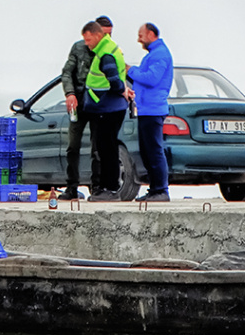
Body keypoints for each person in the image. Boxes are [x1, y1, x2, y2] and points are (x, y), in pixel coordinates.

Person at [59, 15, 114, 200]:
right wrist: (70, 93)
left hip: (99, 104)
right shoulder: (79, 48)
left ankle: (97, 187)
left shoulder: (110, 51)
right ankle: (71, 187)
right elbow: (67, 72)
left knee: (98, 148)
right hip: (80, 102)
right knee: (72, 146)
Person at [81, 20, 129, 202]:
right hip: (107, 107)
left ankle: (110, 189)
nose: (87, 43)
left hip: (108, 108)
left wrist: (122, 90)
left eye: (88, 39)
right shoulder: (106, 49)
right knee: (105, 147)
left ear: (97, 35)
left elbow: (115, 80)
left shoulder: (106, 54)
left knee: (107, 149)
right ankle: (106, 187)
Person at [125, 22, 173, 202]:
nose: (139, 39)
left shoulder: (160, 54)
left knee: (154, 150)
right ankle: (154, 189)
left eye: (141, 35)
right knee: (146, 151)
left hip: (153, 109)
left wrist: (131, 70)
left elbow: (152, 79)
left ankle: (161, 190)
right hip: (145, 109)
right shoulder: (153, 54)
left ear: (151, 34)